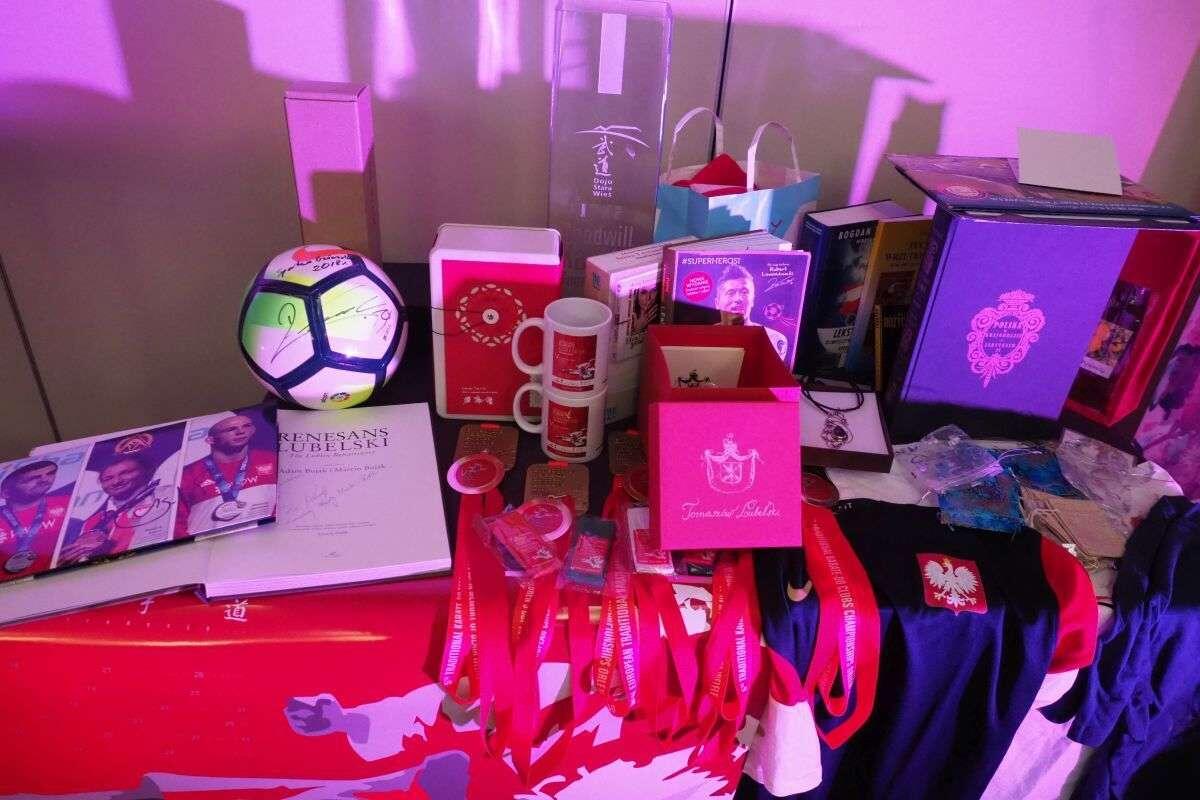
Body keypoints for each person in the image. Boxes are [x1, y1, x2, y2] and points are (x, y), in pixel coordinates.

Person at [59, 454, 175, 564]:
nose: (116, 481)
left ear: (147, 472)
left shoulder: (168, 494)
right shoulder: (92, 521)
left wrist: (109, 549)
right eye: (108, 478)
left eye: (125, 473)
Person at [176, 412, 278, 536]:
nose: (241, 431)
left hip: (266, 537)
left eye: (246, 426)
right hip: (211, 545)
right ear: (210, 440)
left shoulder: (272, 459)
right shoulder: (187, 475)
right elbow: (177, 525)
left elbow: (288, 500)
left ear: (253, 430)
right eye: (230, 429)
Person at [0, 460, 69, 579]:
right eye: (32, 478)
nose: (44, 479)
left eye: (50, 473)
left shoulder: (68, 503)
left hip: (65, 575)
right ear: (6, 493)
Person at [713, 264, 789, 361]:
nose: (738, 299)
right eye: (731, 293)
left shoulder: (773, 339)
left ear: (752, 300)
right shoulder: (702, 338)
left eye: (744, 292)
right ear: (717, 303)